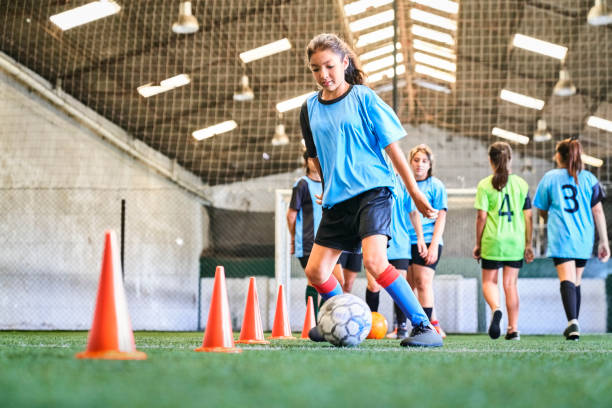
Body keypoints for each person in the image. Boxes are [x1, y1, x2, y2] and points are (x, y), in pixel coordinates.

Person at [300, 33, 442, 347]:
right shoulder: (308, 108)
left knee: (375, 263)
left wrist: (416, 194)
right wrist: (328, 186)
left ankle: (424, 327)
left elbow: (393, 149)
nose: (323, 74)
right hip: (338, 200)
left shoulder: (363, 97)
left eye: (329, 66)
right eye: (315, 69)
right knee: (315, 271)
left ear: (345, 62)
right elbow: (316, 156)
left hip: (373, 191)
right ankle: (340, 315)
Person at [533, 138, 609, 341]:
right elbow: (598, 211)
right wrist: (604, 241)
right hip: (584, 238)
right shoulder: (589, 179)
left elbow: (541, 208)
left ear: (559, 156)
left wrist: (550, 218)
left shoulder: (550, 178)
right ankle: (574, 322)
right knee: (576, 280)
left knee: (567, 280)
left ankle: (572, 322)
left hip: (562, 237)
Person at [473, 142, 534, 340]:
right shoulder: (521, 184)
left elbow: (481, 217)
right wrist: (528, 244)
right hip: (515, 241)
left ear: (490, 160)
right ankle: (513, 328)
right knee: (510, 285)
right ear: (510, 159)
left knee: (489, 282)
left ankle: (496, 308)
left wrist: (478, 244)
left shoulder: (484, 185)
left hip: (493, 240)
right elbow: (528, 217)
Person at [406, 144, 447, 338]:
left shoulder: (436, 186)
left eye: (424, 161)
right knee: (408, 286)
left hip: (429, 240)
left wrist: (433, 246)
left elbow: (441, 217)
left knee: (423, 283)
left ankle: (428, 329)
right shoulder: (404, 184)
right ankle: (408, 326)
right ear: (410, 162)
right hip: (405, 241)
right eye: (416, 160)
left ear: (430, 165)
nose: (420, 165)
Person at [386, 175, 427, 339]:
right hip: (377, 240)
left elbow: (413, 213)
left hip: (400, 242)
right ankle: (371, 324)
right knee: (373, 286)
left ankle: (401, 327)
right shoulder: (373, 178)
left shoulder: (403, 185)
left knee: (399, 284)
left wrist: (420, 238)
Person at [287, 151, 323, 319]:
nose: (314, 161)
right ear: (306, 162)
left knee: (335, 282)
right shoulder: (302, 184)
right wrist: (294, 238)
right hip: (308, 242)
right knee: (314, 281)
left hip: (327, 242)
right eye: (310, 158)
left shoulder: (327, 184)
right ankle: (314, 322)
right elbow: (291, 215)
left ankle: (322, 318)